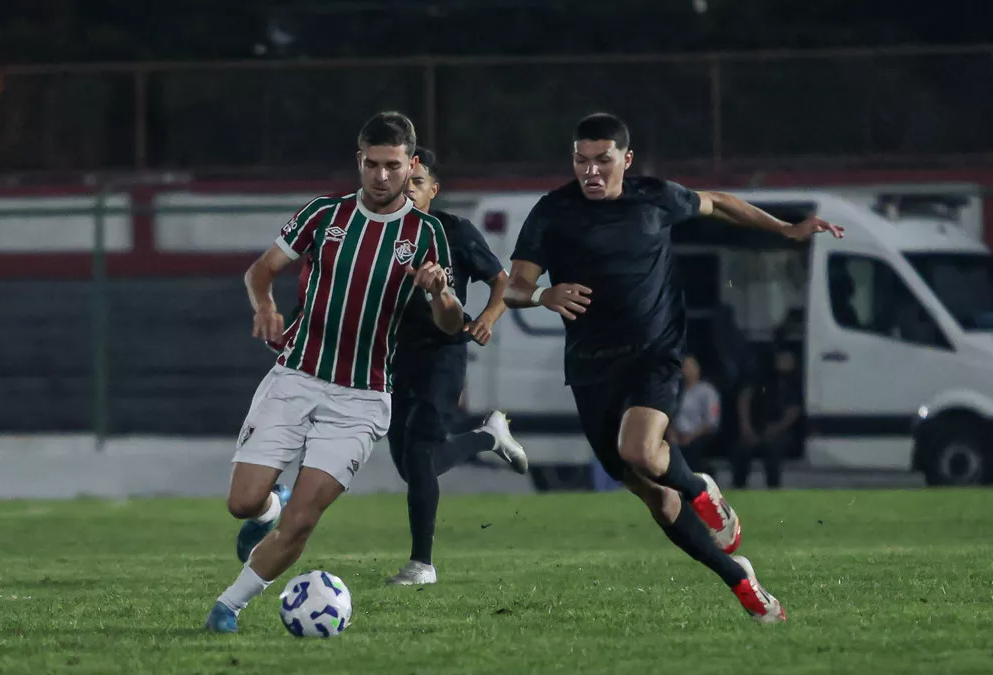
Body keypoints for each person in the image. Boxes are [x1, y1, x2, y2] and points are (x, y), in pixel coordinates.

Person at [504, 112, 844, 624]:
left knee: (639, 449)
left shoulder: (654, 198)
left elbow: (720, 203)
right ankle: (739, 579)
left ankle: (701, 487)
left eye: (603, 160)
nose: (590, 171)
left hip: (656, 353)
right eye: (581, 160)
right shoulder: (552, 211)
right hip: (591, 369)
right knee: (653, 495)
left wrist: (784, 229)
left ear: (626, 159)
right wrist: (543, 294)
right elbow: (512, 288)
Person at [205, 111, 464, 633]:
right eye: (372, 164)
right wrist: (263, 304)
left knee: (303, 521)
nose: (382, 176)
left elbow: (451, 322)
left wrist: (439, 292)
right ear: (359, 161)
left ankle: (227, 608)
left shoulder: (427, 232)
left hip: (362, 398)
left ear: (411, 164)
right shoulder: (324, 215)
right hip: (296, 376)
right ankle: (265, 509)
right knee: (242, 502)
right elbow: (260, 271)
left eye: (393, 166)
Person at [386, 146, 527, 586]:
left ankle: (421, 564)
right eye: (403, 180)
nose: (408, 190)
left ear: (434, 189)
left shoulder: (454, 232)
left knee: (420, 453)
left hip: (442, 353)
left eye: (417, 182)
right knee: (412, 466)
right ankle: (487, 435)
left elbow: (502, 282)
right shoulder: (378, 232)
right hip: (393, 359)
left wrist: (486, 318)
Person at [733, 347, 802, 489]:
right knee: (741, 450)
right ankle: (738, 488)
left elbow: (793, 412)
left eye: (787, 360)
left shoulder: (794, 383)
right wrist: (746, 428)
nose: (783, 362)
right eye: (781, 359)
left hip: (781, 431)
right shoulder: (763, 378)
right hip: (756, 427)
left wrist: (775, 429)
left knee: (773, 450)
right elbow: (745, 398)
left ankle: (773, 489)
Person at [666, 354, 721, 480]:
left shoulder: (707, 391)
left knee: (692, 450)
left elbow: (712, 421)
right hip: (677, 435)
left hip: (700, 434)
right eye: (685, 366)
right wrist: (672, 433)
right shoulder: (677, 390)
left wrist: (691, 436)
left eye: (691, 366)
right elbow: (669, 415)